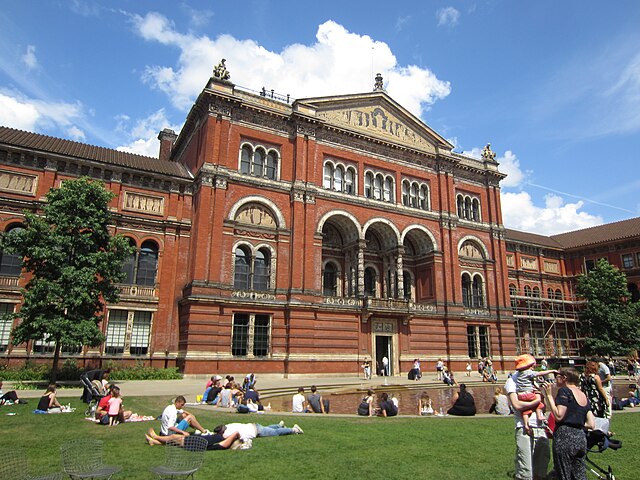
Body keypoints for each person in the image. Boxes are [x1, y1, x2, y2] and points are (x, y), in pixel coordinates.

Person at [542, 368, 595, 480]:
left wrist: (549, 396)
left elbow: (559, 416)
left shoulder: (564, 391)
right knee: (579, 476)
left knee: (564, 475)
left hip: (565, 437)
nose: (555, 378)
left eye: (557, 376)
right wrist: (576, 421)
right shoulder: (583, 394)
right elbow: (591, 424)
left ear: (564, 378)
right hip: (580, 438)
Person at [505, 374, 550, 480]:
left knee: (541, 469)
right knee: (525, 471)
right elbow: (517, 405)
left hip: (540, 428)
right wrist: (536, 401)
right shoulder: (512, 381)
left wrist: (542, 394)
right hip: (524, 428)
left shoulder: (534, 382)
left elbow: (544, 408)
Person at [512, 354, 556, 434]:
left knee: (525, 411)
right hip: (529, 394)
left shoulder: (518, 374)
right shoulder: (528, 372)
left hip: (521, 395)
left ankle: (526, 424)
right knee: (539, 404)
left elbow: (532, 383)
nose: (533, 368)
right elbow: (540, 373)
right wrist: (552, 371)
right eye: (532, 366)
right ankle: (539, 415)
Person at [146, 425, 243, 450]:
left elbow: (236, 432)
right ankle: (153, 441)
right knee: (173, 442)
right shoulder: (223, 440)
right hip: (197, 440)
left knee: (173, 437)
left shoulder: (224, 445)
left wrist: (237, 436)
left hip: (197, 443)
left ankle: (155, 437)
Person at [223, 421, 303, 441]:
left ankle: (294, 429)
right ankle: (279, 425)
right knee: (267, 428)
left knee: (275, 433)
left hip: (256, 431)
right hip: (254, 425)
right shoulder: (228, 425)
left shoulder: (227, 434)